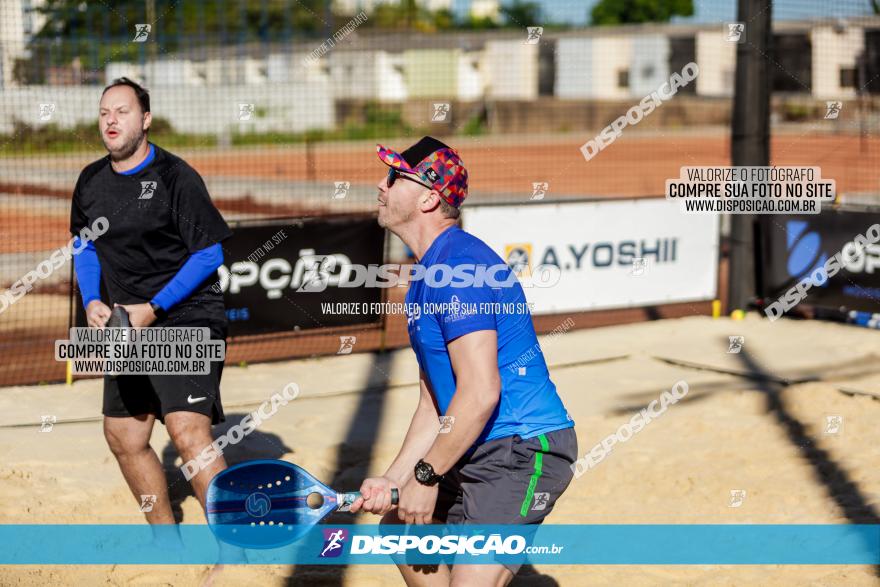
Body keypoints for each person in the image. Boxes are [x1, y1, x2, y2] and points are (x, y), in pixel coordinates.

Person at [350, 136, 578, 586]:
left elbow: (480, 391)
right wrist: (393, 479)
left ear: (429, 197)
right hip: (475, 443)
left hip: (521, 448)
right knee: (399, 530)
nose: (382, 183)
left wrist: (425, 475)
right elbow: (435, 403)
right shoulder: (429, 272)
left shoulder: (459, 270)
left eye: (395, 176)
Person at [69, 77, 232, 532]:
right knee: (124, 435)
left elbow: (209, 254)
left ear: (145, 120)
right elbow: (83, 246)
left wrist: (154, 308)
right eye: (104, 113)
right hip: (128, 324)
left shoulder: (175, 177)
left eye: (121, 111)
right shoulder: (90, 181)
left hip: (186, 317)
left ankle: (235, 551)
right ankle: (165, 540)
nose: (111, 121)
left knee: (186, 432)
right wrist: (94, 299)